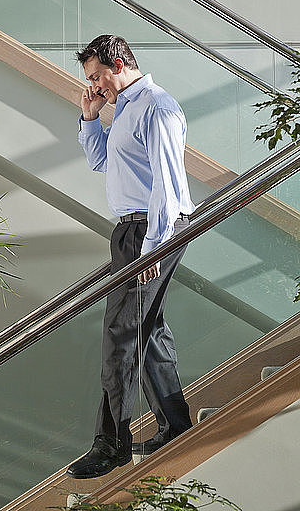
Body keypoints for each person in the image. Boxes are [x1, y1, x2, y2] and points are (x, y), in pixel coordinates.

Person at [66, 35, 195, 480]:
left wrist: (153, 246)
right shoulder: (123, 107)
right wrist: (90, 119)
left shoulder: (156, 107)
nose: (96, 86)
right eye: (91, 81)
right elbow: (105, 163)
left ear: (119, 63)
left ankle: (112, 445)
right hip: (130, 230)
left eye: (98, 77)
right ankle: (176, 425)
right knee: (145, 329)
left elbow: (168, 182)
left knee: (119, 334)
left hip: (150, 229)